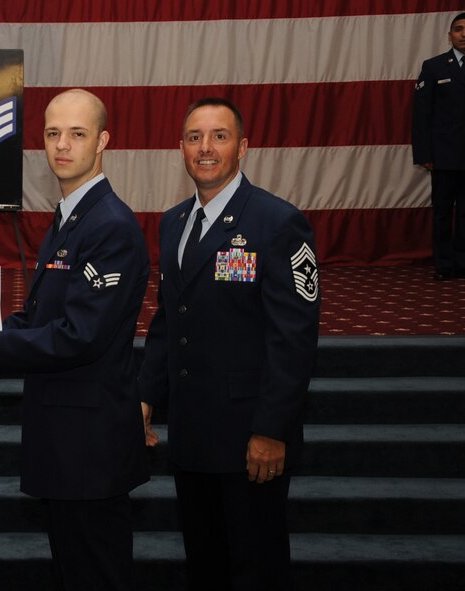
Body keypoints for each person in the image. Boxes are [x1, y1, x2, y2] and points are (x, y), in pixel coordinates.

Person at [0, 89, 150, 590]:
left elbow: (77, 338)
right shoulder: (69, 220)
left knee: (98, 575)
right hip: (67, 445)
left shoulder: (110, 226)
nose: (62, 145)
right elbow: (33, 323)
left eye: (77, 133)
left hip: (92, 451)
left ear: (103, 141)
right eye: (52, 133)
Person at [137, 98, 320, 590]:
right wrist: (146, 396)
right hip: (192, 434)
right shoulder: (173, 221)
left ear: (242, 147)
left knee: (255, 568)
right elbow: (169, 320)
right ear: (181, 148)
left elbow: (294, 339)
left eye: (219, 136)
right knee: (206, 564)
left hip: (250, 440)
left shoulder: (277, 223)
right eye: (194, 137)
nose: (205, 148)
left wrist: (272, 431)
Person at [412, 12, 465, 280]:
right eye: (458, 29)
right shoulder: (433, 67)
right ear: (450, 35)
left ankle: (462, 263)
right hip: (443, 156)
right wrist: (424, 154)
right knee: (443, 214)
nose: (463, 34)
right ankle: (444, 265)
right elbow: (422, 115)